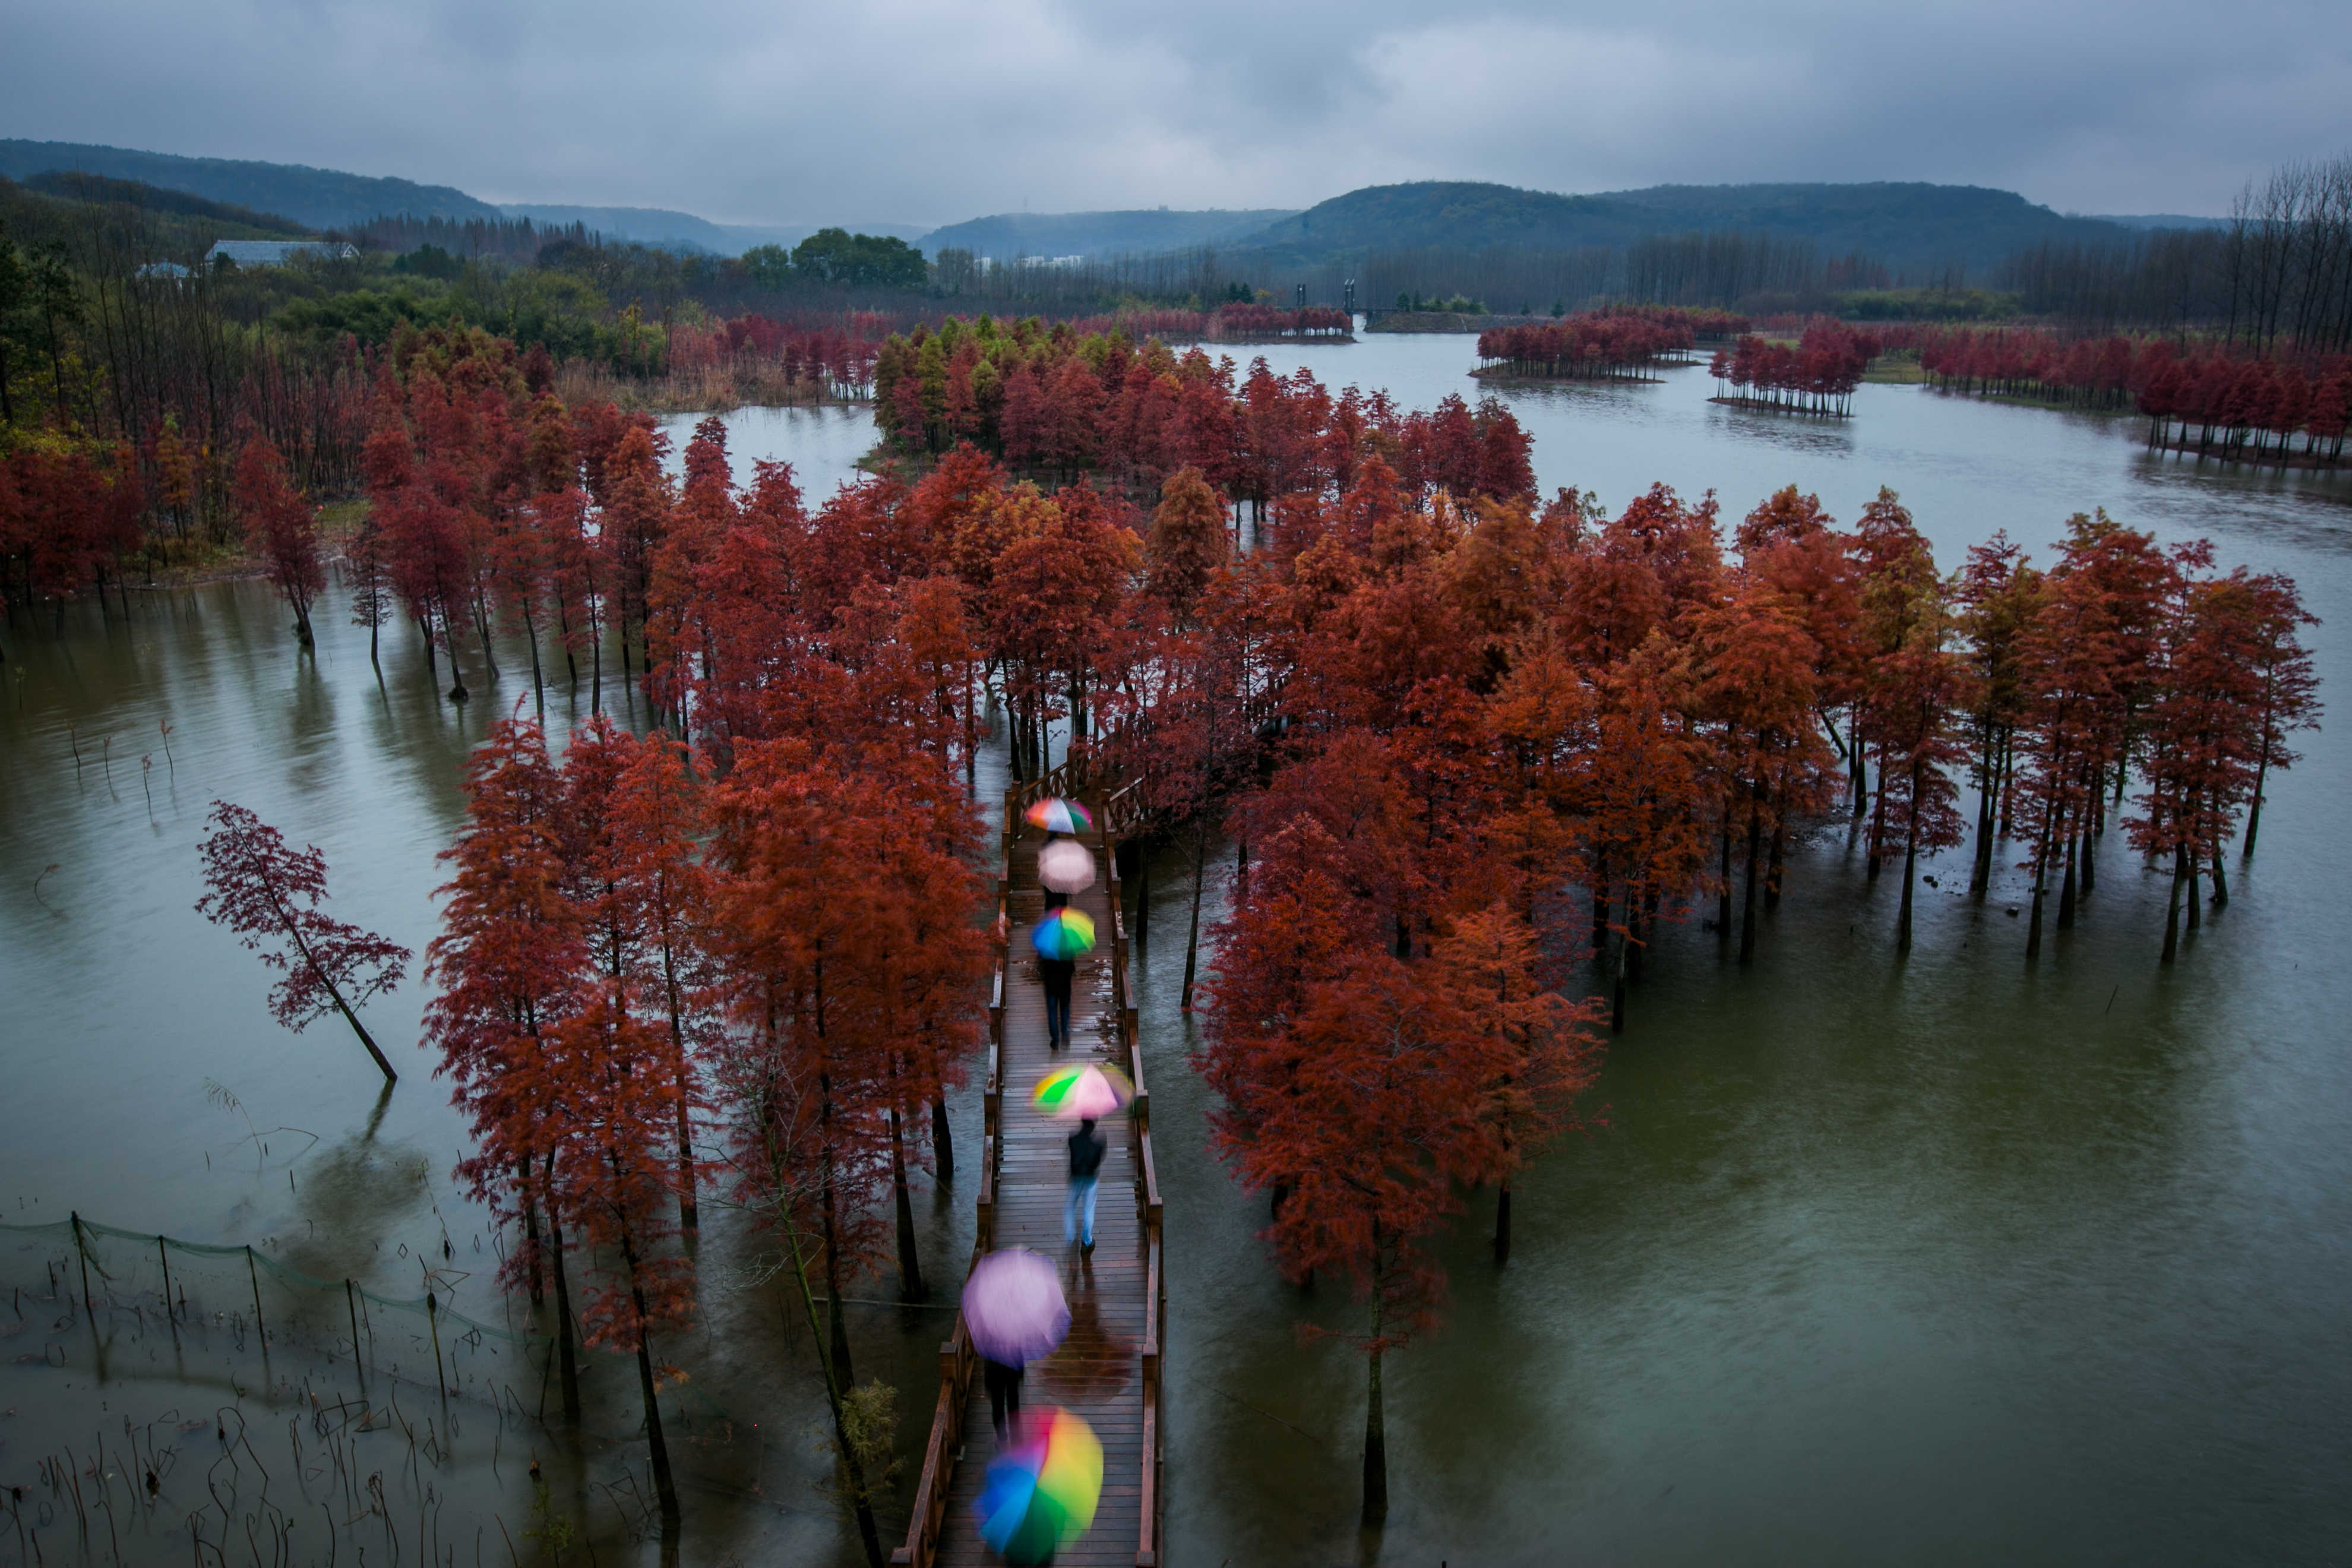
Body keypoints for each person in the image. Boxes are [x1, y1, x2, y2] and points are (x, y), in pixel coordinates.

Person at [1065, 1117, 1105, 1251]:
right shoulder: (1098, 1144)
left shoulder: (1072, 1139)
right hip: (1090, 1179)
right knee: (1088, 1210)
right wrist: (1103, 1143)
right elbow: (1098, 1161)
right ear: (1093, 1126)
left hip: (1075, 1178)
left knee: (1070, 1208)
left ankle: (1070, 1237)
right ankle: (1087, 1241)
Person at [982, 1352, 1025, 1440]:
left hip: (994, 1366)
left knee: (998, 1404)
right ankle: (1015, 1435)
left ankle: (1002, 1438)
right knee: (1013, 1401)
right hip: (1013, 1364)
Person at [1039, 952, 1074, 1050]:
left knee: (1052, 1012)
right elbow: (1072, 968)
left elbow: (1042, 965)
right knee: (1065, 1009)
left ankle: (1055, 1039)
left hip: (1050, 985)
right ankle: (1065, 1033)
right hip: (1065, 985)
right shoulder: (1067, 946)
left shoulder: (1046, 947)